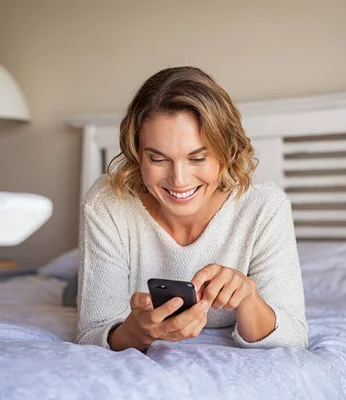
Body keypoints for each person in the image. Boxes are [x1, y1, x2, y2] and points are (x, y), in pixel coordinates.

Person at [76, 66, 308, 351]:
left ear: (227, 152)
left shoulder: (264, 208)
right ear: (137, 154)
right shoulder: (106, 204)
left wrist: (248, 298)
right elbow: (92, 334)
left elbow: (295, 339)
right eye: (158, 159)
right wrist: (138, 332)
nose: (179, 181)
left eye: (197, 158)